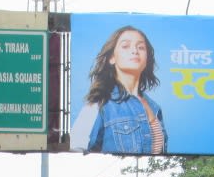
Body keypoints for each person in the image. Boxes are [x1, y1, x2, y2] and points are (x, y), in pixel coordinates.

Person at [70, 25, 167, 154]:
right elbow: (76, 148)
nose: (135, 51)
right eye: (126, 46)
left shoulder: (155, 108)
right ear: (112, 58)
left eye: (141, 47)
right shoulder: (99, 103)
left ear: (146, 58)